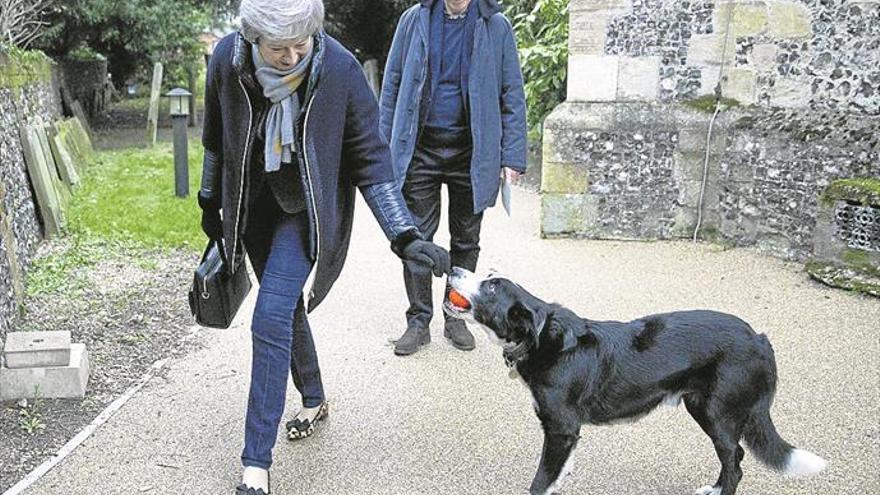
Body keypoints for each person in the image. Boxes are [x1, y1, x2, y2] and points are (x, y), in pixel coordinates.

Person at [197, 0, 451, 492]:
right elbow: (214, 138)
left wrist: (403, 235)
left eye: (301, 44)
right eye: (278, 49)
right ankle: (314, 397)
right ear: (253, 40)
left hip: (305, 214)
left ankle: (255, 466)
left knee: (269, 315)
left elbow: (371, 161)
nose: (293, 56)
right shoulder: (227, 60)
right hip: (252, 208)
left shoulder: (338, 68)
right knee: (284, 307)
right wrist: (211, 201)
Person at [380, 0, 528, 355]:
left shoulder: (496, 26)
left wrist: (512, 155)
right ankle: (418, 321)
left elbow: (512, 94)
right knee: (416, 237)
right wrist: (383, 147)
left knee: (466, 239)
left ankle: (455, 315)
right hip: (421, 147)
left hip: (473, 151)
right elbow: (392, 85)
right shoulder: (413, 20)